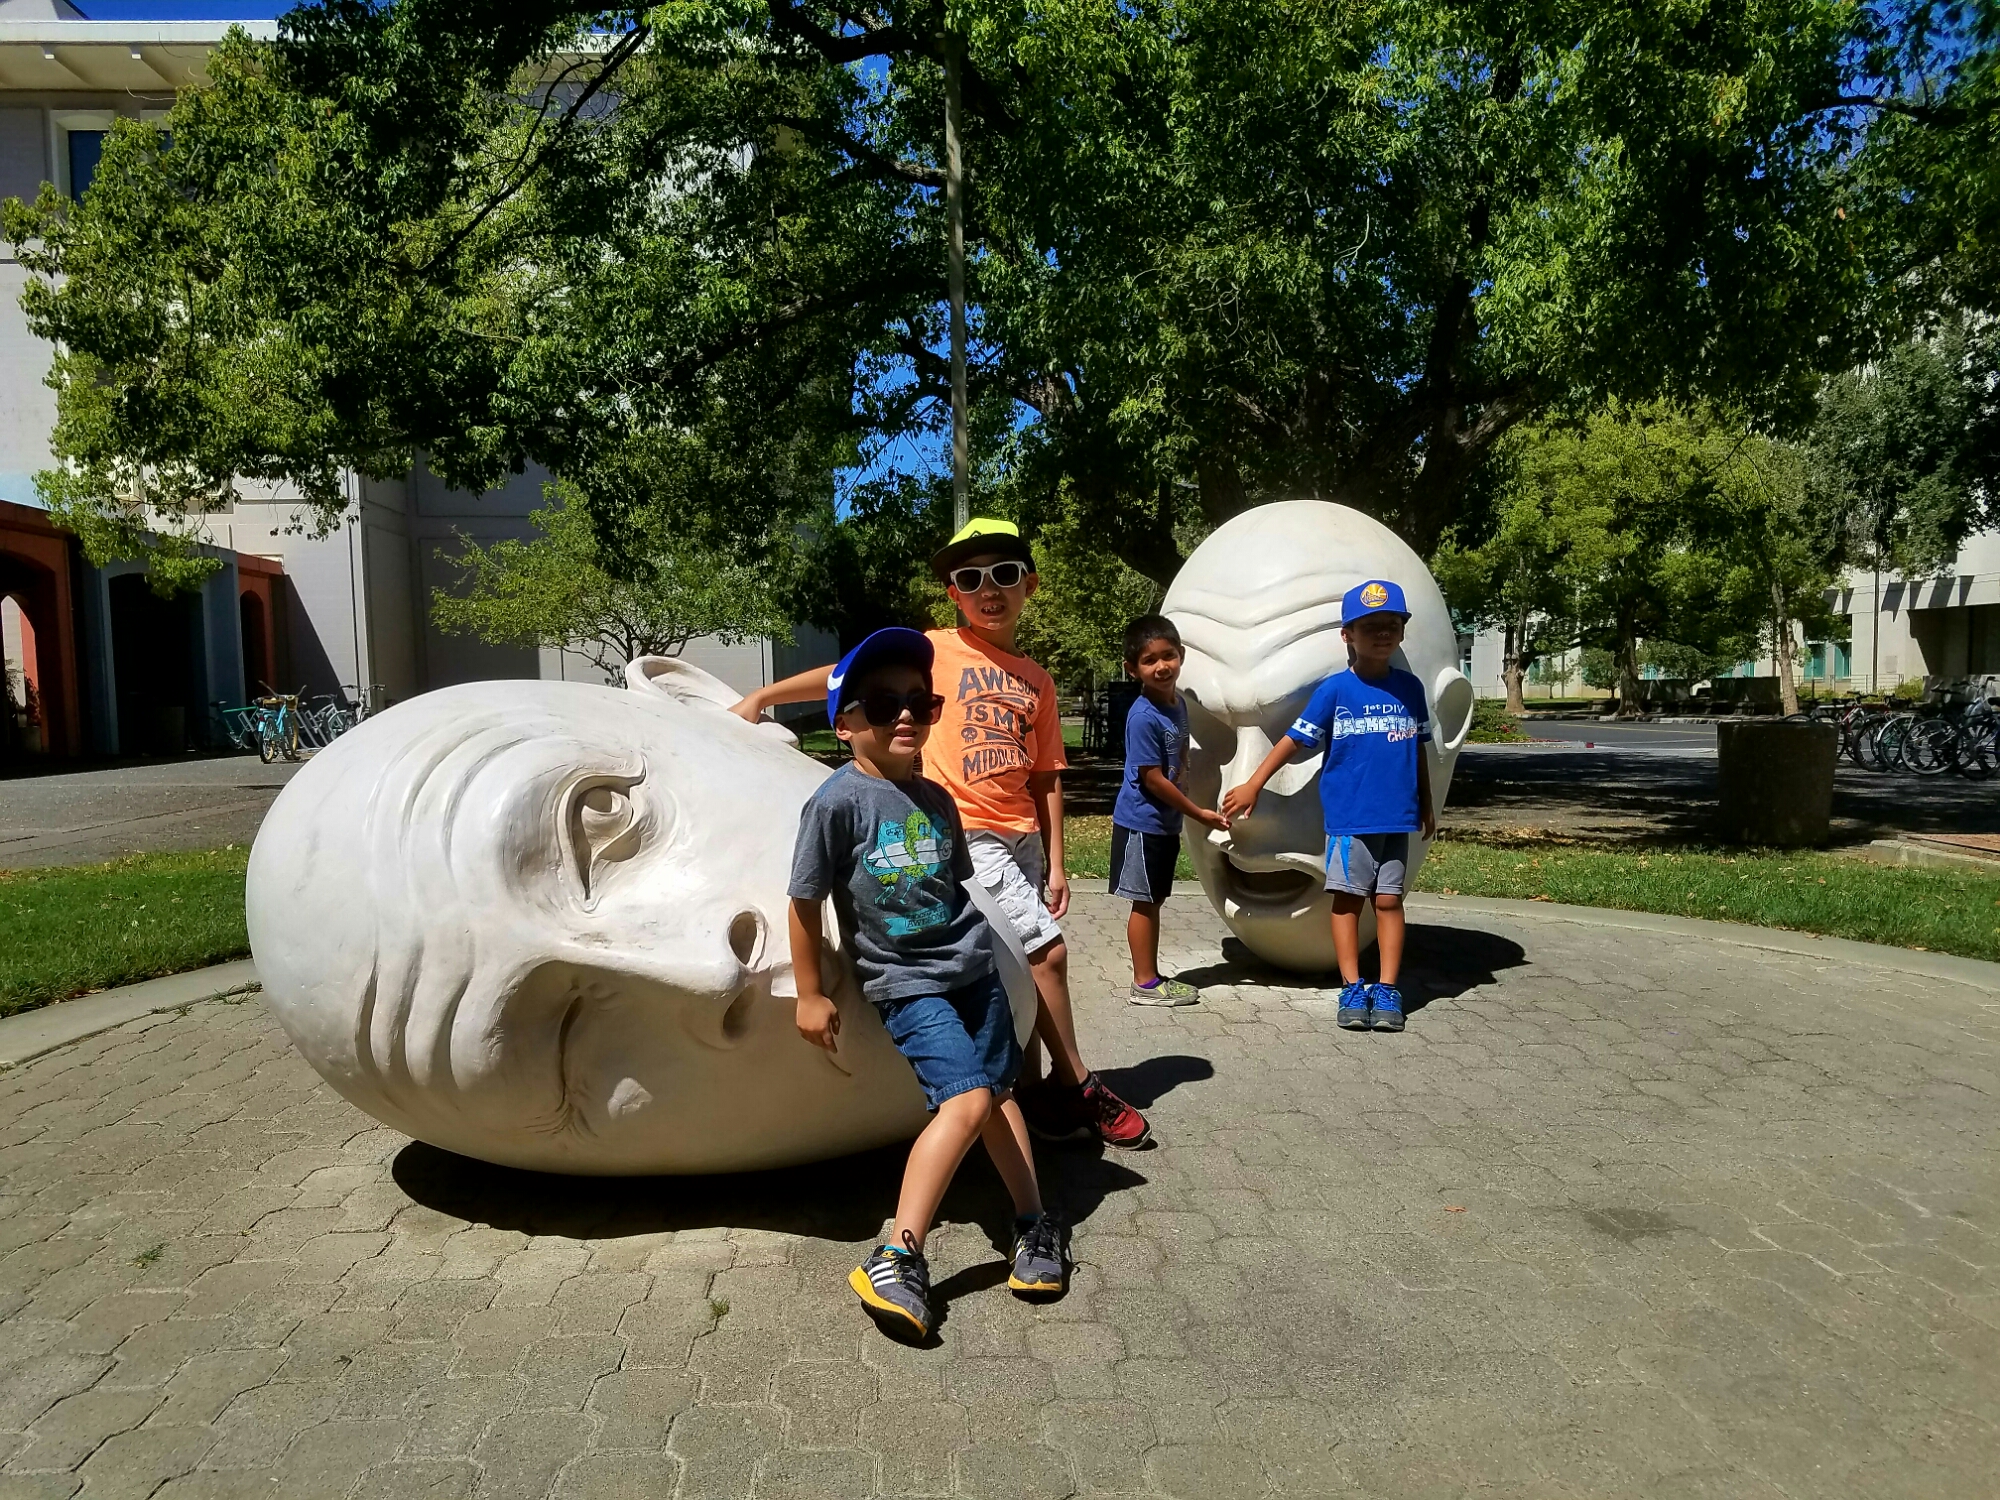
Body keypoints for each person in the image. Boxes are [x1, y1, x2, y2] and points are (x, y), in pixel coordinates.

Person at [735, 518, 1151, 1148]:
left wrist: (1057, 860)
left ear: (1029, 585)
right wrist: (765, 696)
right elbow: (841, 675)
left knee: (1016, 967)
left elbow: (1046, 775)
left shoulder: (1037, 679)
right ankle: (1078, 1086)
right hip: (963, 833)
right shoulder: (934, 651)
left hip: (1021, 837)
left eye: (1004, 574)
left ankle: (1029, 1094)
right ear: (954, 593)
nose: (989, 589)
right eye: (970, 579)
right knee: (1049, 954)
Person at [787, 627, 1068, 1342]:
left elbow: (958, 893)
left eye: (921, 701)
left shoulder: (939, 800)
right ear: (845, 724)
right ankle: (896, 1255)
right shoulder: (836, 804)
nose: (906, 715)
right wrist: (811, 992)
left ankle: (1034, 1223)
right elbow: (804, 901)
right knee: (968, 1098)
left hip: (974, 971)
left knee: (1000, 1092)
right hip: (907, 984)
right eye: (884, 705)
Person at [1219, 579, 1436, 1032]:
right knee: (1348, 902)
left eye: (1392, 624)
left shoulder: (1410, 689)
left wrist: (1427, 803)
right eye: (1370, 626)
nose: (1383, 634)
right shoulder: (1336, 691)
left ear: (1402, 630)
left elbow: (1417, 750)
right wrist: (1254, 784)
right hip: (1350, 820)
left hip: (1396, 818)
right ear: (1347, 635)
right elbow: (1293, 741)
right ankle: (1352, 986)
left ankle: (1388, 988)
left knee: (1389, 902)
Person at [1111, 614, 1228, 1005]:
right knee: (1145, 901)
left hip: (1163, 823)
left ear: (1181, 655)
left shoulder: (1177, 705)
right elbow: (1153, 780)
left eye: (1168, 655)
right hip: (1142, 824)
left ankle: (1151, 976)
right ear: (1132, 669)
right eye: (1149, 660)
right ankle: (1144, 984)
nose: (1162, 666)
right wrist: (1198, 813)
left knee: (1154, 898)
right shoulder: (1144, 717)